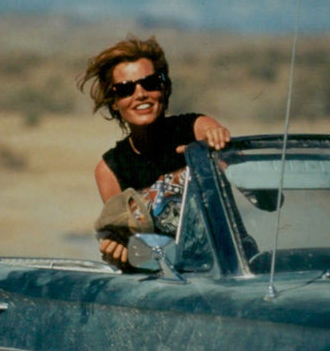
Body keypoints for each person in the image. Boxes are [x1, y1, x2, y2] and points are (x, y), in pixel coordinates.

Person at [78, 35, 231, 266]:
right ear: (114, 102)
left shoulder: (197, 129)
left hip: (230, 267)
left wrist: (216, 150)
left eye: (150, 83)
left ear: (164, 88)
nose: (140, 94)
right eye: (126, 89)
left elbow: (266, 199)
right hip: (170, 279)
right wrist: (119, 251)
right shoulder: (110, 169)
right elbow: (131, 242)